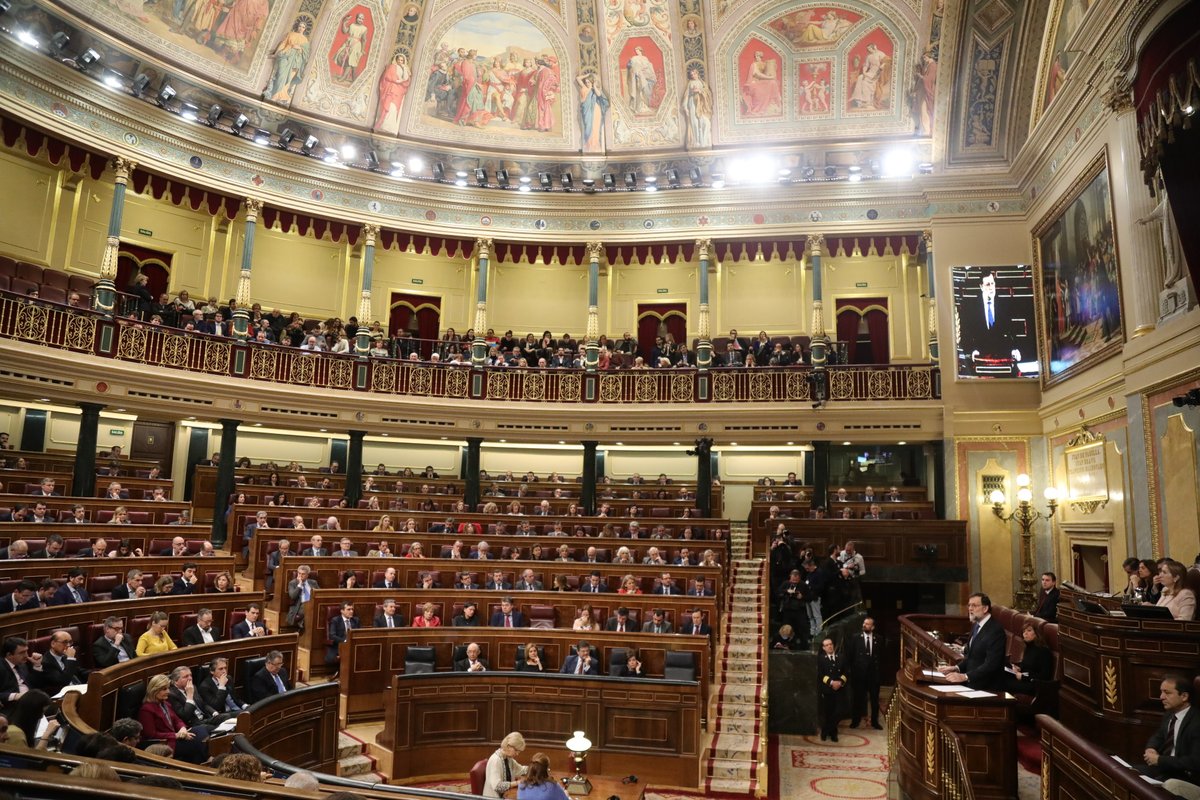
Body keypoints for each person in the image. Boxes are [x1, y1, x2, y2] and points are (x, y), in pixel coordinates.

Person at [937, 593, 1007, 690]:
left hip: (987, 688)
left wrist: (965, 676)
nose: (970, 609)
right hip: (972, 683)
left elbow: (991, 664)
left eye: (974, 605)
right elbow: (971, 657)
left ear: (985, 609)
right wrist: (956, 668)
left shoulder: (995, 631)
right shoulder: (976, 625)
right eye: (969, 605)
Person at [959, 269, 1021, 376]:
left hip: (1002, 354)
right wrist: (972, 350)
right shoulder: (970, 307)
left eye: (993, 283)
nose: (991, 287)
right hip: (980, 355)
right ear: (981, 286)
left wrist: (1015, 349)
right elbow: (966, 333)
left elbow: (1012, 332)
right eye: (988, 284)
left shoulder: (1004, 304)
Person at [1139, 674, 1199, 784]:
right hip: (1164, 770)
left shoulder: (1197, 722)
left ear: (1184, 696)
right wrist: (1151, 748)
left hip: (1185, 777)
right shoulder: (1169, 714)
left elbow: (1195, 762)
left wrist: (1159, 760)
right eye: (1161, 692)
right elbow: (1158, 736)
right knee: (1127, 773)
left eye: (1167, 693)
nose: (1161, 697)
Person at [138, 673, 208, 763]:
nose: (168, 691)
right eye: (164, 689)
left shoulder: (166, 703)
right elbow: (151, 735)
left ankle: (202, 762)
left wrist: (182, 728)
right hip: (165, 743)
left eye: (168, 688)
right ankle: (203, 762)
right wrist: (176, 735)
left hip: (176, 737)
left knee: (201, 729)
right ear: (154, 691)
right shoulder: (146, 710)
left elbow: (177, 720)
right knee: (198, 743)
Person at [846, 617, 882, 729]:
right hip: (859, 675)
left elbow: (882, 658)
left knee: (874, 700)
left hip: (873, 676)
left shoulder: (879, 639)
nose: (865, 625)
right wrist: (852, 672)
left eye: (867, 624)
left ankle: (875, 722)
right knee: (857, 699)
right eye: (864, 623)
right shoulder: (855, 638)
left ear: (873, 627)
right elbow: (850, 656)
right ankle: (855, 721)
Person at [1000, 623, 1054, 696]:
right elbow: (1027, 665)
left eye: (1029, 630)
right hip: (1024, 679)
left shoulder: (1044, 651)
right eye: (1024, 631)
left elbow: (1045, 676)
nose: (1025, 633)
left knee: (1002, 682)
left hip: (1034, 685)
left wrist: (1023, 677)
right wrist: (1017, 667)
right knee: (999, 675)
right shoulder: (1028, 647)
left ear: (1037, 633)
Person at [818, 637, 848, 742]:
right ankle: (833, 733)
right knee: (828, 712)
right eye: (826, 645)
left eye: (830, 644)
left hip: (840, 689)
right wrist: (831, 682)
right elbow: (821, 674)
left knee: (839, 712)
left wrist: (840, 682)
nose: (829, 646)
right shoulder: (821, 659)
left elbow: (846, 672)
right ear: (823, 648)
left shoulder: (841, 657)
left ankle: (825, 730)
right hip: (828, 689)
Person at [484, 731, 528, 797]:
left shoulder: (508, 758)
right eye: (516, 750)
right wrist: (517, 783)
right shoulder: (496, 760)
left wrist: (537, 768)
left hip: (506, 795)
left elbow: (521, 770)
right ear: (508, 746)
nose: (517, 754)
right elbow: (497, 786)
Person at [326, 601, 359, 671]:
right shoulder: (335, 620)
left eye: (352, 609)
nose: (351, 611)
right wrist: (345, 641)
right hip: (339, 646)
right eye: (348, 609)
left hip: (353, 646)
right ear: (342, 611)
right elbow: (332, 635)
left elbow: (359, 633)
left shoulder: (356, 620)